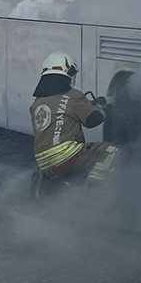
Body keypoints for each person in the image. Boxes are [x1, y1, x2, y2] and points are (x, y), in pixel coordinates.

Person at [29, 52, 117, 196]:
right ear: (68, 73)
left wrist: (88, 104)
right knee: (110, 150)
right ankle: (93, 191)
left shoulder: (37, 102)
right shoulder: (73, 95)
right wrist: (102, 108)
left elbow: (62, 111)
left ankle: (51, 181)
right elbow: (93, 120)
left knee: (80, 158)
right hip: (66, 155)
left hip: (42, 160)